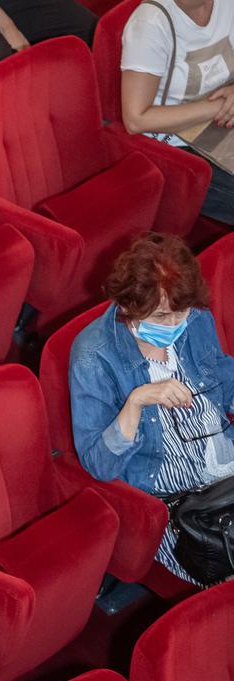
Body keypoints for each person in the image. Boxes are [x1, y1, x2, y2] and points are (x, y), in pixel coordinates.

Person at [69, 233, 234, 586]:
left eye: (181, 313)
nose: (174, 325)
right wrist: (137, 400)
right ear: (129, 305)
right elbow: (98, 463)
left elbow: (221, 374)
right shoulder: (94, 356)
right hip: (181, 506)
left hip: (227, 469)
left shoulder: (194, 318)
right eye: (161, 317)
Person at [121, 0, 234, 224]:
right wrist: (218, 108)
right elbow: (136, 119)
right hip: (177, 145)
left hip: (224, 118)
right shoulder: (151, 25)